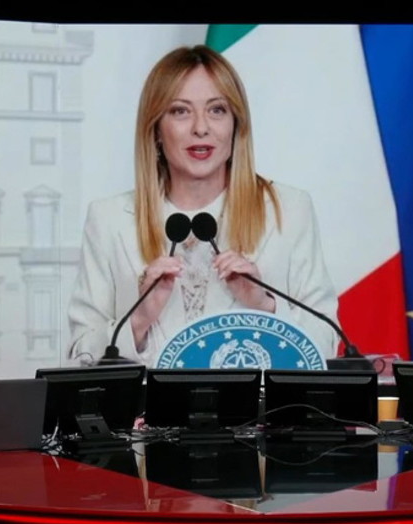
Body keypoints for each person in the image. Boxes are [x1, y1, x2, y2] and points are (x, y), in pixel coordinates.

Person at [67, 45, 340, 366]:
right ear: (156, 130)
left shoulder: (289, 210)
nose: (201, 127)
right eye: (180, 111)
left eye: (217, 110)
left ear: (236, 125)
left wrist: (264, 306)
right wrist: (139, 320)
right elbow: (79, 355)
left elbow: (326, 342)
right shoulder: (108, 219)